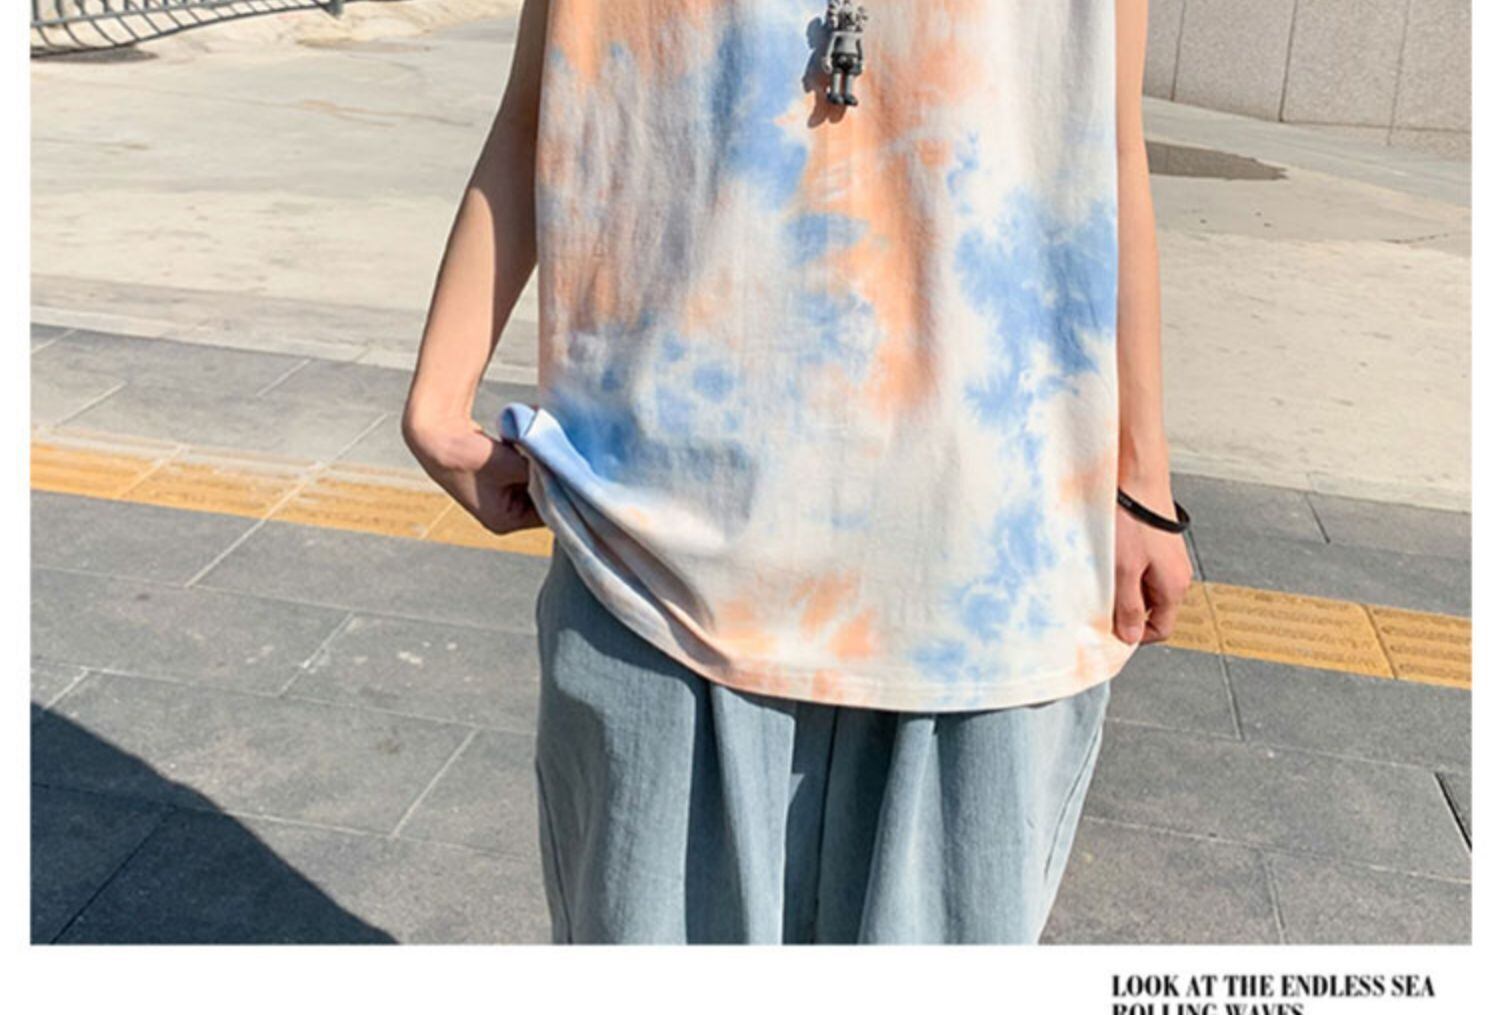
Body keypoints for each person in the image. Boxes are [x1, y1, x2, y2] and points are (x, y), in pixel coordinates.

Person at [402, 0, 1192, 944]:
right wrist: (437, 399)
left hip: (981, 573)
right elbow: (548, 97)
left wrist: (1141, 480)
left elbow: (1106, 142)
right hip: (657, 561)